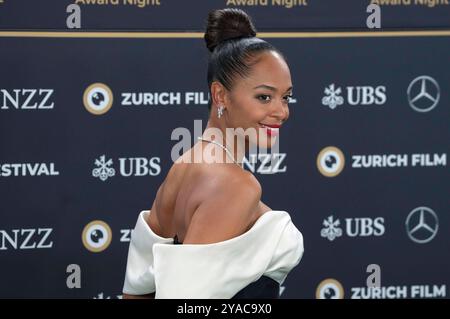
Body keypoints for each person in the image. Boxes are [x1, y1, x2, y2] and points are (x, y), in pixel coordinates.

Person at [122, 8, 304, 299]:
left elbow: (136, 290)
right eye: (264, 97)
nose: (282, 111)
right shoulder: (235, 186)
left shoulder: (184, 166)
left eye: (286, 97)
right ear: (220, 95)